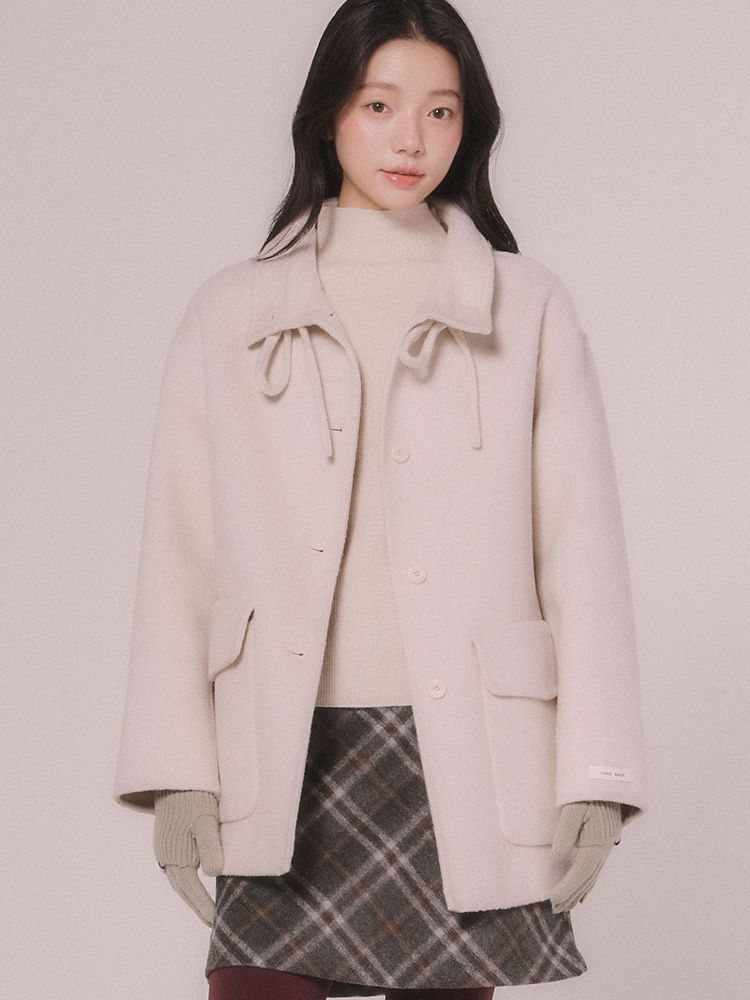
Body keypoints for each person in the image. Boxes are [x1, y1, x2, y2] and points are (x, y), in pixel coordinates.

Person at [113, 1, 648, 997]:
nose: (412, 139)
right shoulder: (232, 310)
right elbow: (180, 555)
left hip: (467, 753)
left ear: (469, 127)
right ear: (328, 114)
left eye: (442, 111)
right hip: (287, 748)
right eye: (380, 105)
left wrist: (599, 775)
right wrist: (176, 766)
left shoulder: (528, 305)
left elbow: (583, 556)